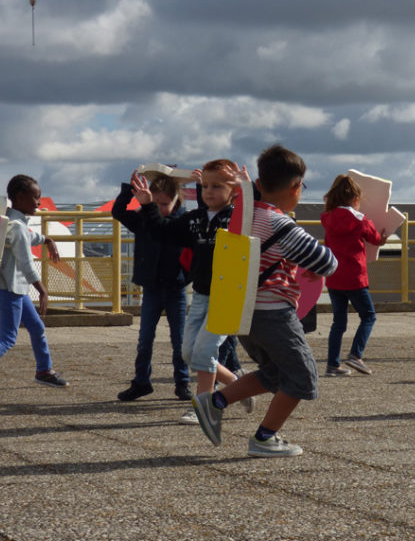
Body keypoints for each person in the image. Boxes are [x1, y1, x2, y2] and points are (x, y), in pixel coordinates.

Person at [191, 144, 338, 458]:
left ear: (258, 184)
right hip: (274, 313)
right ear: (296, 188)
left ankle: (214, 402)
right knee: (302, 376)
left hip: (243, 313)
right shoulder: (280, 223)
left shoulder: (246, 216)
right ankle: (264, 438)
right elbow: (327, 263)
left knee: (274, 372)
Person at [130, 160, 253, 423]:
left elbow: (256, 213)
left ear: (233, 190)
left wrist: (248, 189)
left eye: (217, 186)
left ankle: (203, 407)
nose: (209, 191)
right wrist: (148, 205)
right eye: (205, 185)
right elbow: (163, 231)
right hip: (201, 295)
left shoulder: (237, 216)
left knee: (204, 352)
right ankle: (237, 384)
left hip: (227, 295)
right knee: (188, 353)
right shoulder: (196, 219)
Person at [0, 175, 67, 394]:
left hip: (14, 289)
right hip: (11, 290)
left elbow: (30, 236)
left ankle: (44, 371)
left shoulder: (10, 222)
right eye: (35, 198)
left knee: (36, 328)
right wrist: (42, 290)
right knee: (8, 338)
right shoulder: (16, 228)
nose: (39, 203)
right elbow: (26, 263)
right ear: (19, 197)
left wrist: (47, 240)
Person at [112, 175, 192, 402]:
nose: (159, 208)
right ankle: (141, 381)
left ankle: (182, 382)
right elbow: (118, 212)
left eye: (164, 203)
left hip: (175, 289)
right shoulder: (143, 220)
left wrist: (184, 277)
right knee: (145, 338)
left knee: (180, 340)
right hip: (152, 288)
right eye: (155, 202)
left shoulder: (182, 222)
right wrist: (129, 189)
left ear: (176, 202)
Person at [321, 173, 387, 376]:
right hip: (355, 277)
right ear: (355, 198)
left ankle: (333, 364)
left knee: (338, 323)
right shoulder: (360, 219)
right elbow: (375, 239)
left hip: (334, 277)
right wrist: (381, 236)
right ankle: (355, 355)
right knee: (368, 316)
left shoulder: (328, 218)